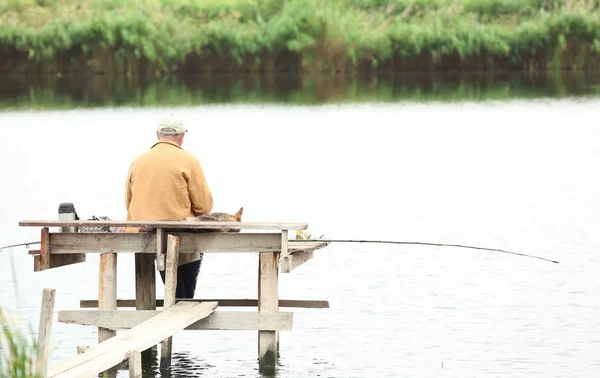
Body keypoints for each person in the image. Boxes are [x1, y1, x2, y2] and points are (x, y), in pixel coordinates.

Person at [124, 114, 214, 299]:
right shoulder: (189, 161)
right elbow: (204, 207)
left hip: (143, 235)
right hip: (178, 235)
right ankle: (182, 301)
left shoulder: (137, 161)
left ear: (158, 135)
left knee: (170, 284)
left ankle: (164, 303)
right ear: (182, 137)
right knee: (184, 290)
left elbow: (129, 201)